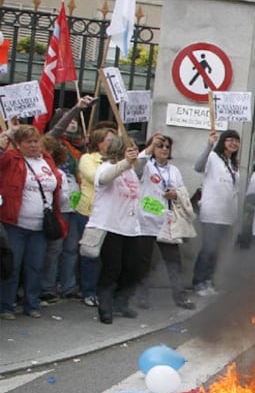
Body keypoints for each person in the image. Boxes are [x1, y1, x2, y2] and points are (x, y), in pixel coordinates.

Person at [0, 124, 65, 319]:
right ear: (18, 144)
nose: (34, 145)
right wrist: (5, 137)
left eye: (36, 141)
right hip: (15, 224)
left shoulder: (46, 159)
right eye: (28, 142)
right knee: (13, 266)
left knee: (35, 266)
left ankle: (32, 304)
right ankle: (6, 306)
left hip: (40, 226)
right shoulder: (11, 158)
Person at [135, 133, 196, 310]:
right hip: (146, 221)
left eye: (166, 147)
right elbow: (136, 166)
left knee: (173, 261)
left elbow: (182, 190)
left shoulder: (174, 171)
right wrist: (149, 147)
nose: (163, 149)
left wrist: (175, 194)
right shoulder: (146, 166)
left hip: (167, 223)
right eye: (159, 145)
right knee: (143, 262)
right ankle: (141, 296)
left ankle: (180, 296)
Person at [85, 136, 141, 324]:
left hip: (130, 228)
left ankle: (121, 302)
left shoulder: (132, 172)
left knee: (131, 268)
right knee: (112, 268)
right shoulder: (106, 167)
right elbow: (104, 178)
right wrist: (125, 162)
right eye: (129, 149)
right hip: (111, 227)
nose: (134, 153)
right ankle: (105, 305)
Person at [192, 129, 241, 297]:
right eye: (229, 140)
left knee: (217, 250)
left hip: (226, 216)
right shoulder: (213, 157)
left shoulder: (233, 164)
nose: (233, 143)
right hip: (212, 213)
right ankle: (199, 282)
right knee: (208, 248)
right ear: (223, 142)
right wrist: (209, 145)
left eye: (236, 141)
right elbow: (198, 166)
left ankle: (208, 281)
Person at [75, 127, 117, 306]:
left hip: (111, 215)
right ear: (99, 142)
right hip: (90, 213)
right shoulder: (87, 159)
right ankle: (88, 291)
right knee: (90, 254)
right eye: (109, 140)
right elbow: (96, 178)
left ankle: (105, 290)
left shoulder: (119, 161)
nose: (113, 143)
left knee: (109, 257)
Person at [40, 135, 80, 304]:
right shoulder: (49, 170)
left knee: (71, 249)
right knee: (54, 250)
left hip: (73, 210)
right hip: (59, 212)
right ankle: (47, 287)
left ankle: (68, 287)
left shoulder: (68, 170)